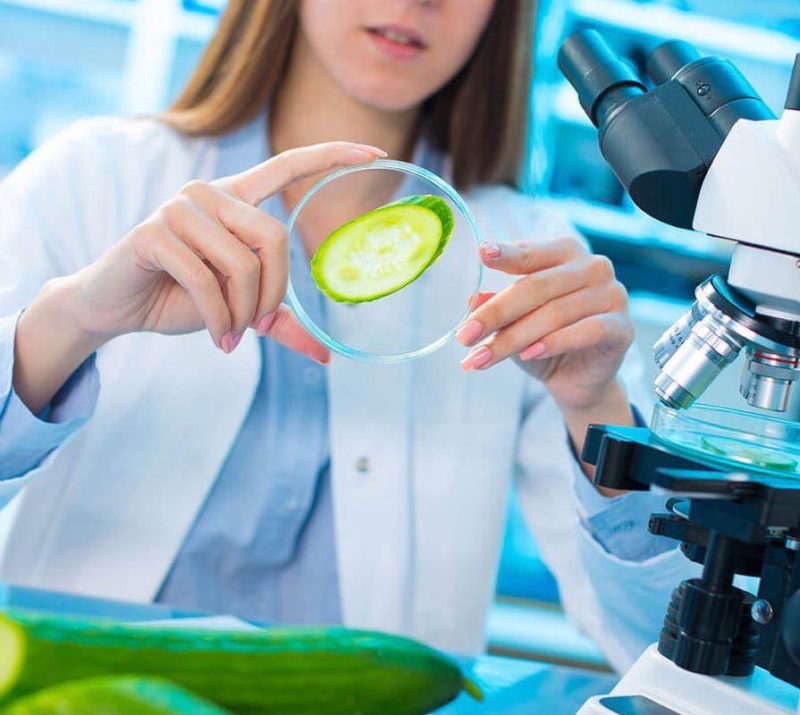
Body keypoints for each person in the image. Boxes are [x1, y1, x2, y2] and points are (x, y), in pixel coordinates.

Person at [0, 0, 695, 671]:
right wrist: (75, 320)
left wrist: (594, 407)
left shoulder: (529, 258)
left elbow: (665, 644)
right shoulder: (96, 179)